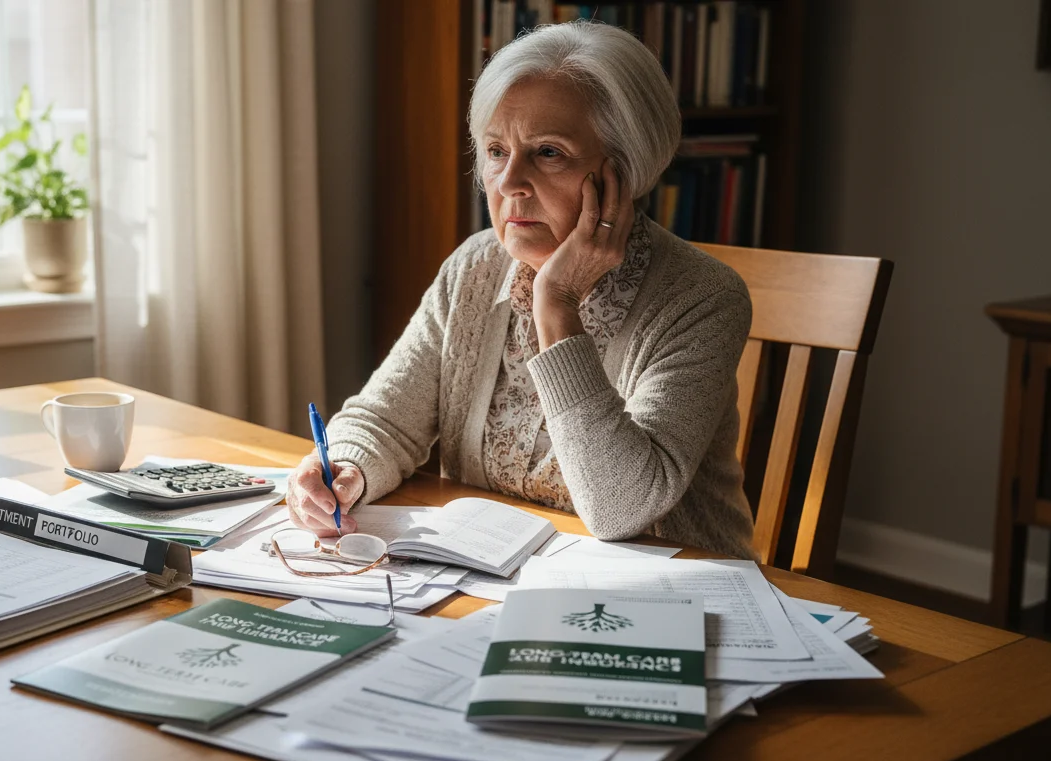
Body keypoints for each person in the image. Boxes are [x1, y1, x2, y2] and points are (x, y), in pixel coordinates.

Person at [285, 22, 756, 559]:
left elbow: (620, 510)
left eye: (548, 152)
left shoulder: (702, 298)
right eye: (494, 150)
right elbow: (384, 420)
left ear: (624, 171)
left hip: (676, 599)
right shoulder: (474, 267)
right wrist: (344, 469)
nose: (509, 182)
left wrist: (555, 304)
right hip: (495, 585)